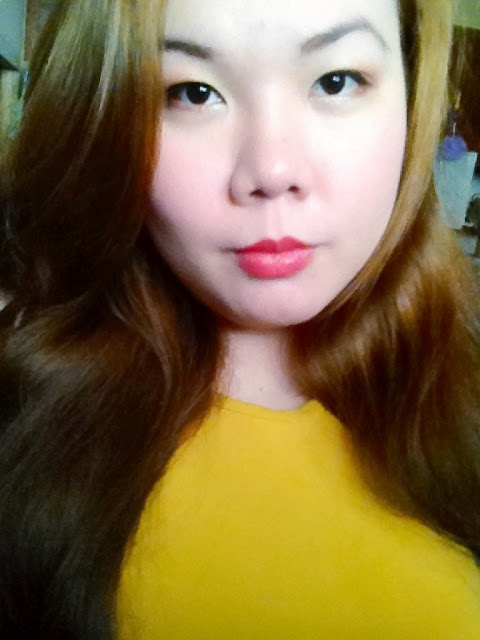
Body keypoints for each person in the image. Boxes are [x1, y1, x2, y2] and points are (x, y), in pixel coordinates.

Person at [0, 0, 479, 637]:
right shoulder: (26, 423)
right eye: (192, 93)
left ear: (413, 100)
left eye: (335, 81)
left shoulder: (463, 387)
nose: (272, 172)